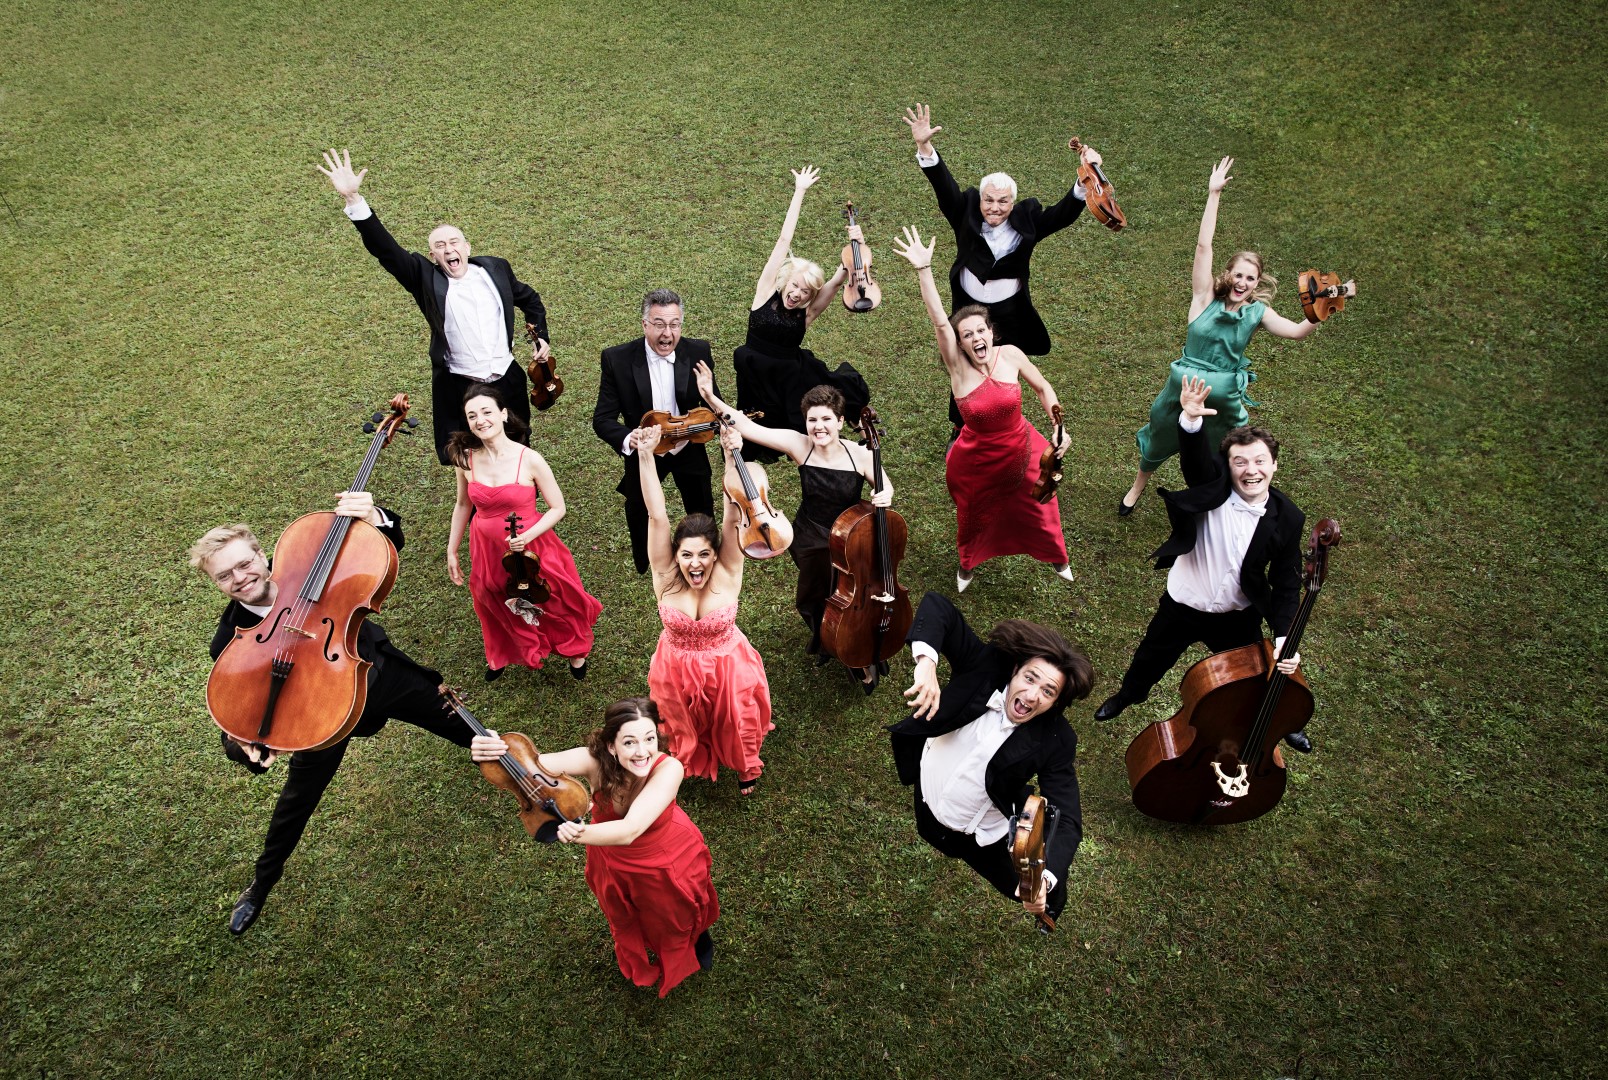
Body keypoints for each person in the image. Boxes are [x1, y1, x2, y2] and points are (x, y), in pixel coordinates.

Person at [189, 493, 471, 935]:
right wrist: (241, 745)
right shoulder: (231, 638)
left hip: (378, 674)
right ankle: (261, 885)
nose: (240, 578)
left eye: (245, 564)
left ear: (262, 554)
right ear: (216, 584)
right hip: (320, 716)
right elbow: (237, 714)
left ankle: (532, 783)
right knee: (295, 804)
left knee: (468, 729)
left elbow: (387, 543)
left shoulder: (308, 563)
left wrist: (374, 516)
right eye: (225, 576)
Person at [1119, 156, 1352, 515]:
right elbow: (1203, 248)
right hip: (1180, 389)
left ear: (1258, 283)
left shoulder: (1258, 313)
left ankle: (1219, 502)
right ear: (1229, 274)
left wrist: (1322, 310)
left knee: (1223, 452)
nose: (1244, 283)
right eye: (1239, 275)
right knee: (1159, 438)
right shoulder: (1203, 297)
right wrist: (1213, 195)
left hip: (1223, 398)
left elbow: (1297, 332)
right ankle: (1136, 488)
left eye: (1251, 278)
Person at [1096, 376, 1313, 753]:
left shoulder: (1289, 518)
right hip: (1182, 606)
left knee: (1258, 676)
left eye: (1260, 461)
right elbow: (1195, 463)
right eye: (1239, 462)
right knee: (1150, 657)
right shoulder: (1211, 487)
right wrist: (1191, 421)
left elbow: (1286, 582)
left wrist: (1283, 640)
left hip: (1236, 615)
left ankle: (1281, 720)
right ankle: (1128, 696)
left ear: (1274, 466)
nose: (1251, 470)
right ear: (1226, 467)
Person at [470, 698, 718, 997]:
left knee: (678, 908)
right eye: (629, 742)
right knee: (627, 909)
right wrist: (493, 753)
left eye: (650, 738)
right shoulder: (593, 761)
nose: (642, 752)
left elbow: (630, 830)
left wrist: (577, 833)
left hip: (664, 856)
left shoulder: (670, 769)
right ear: (611, 746)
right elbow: (529, 769)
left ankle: (698, 937)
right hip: (610, 856)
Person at [317, 148, 552, 465]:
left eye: (454, 242)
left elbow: (530, 299)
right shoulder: (425, 279)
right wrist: (354, 200)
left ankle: (521, 503)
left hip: (506, 379)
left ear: (467, 247)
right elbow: (386, 251)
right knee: (468, 456)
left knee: (518, 444)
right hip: (462, 385)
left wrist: (540, 337)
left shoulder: (496, 270)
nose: (448, 249)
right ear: (433, 257)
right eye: (439, 246)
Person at [891, 591, 1093, 925]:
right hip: (927, 801)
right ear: (1014, 670)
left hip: (982, 838)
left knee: (1029, 888)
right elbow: (938, 607)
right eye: (1030, 678)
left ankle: (1049, 907)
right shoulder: (982, 668)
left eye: (1048, 691)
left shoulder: (1057, 740)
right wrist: (926, 665)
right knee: (929, 828)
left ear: (1055, 703)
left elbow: (1069, 816)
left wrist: (1044, 880)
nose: (1031, 695)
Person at [902, 103, 1102, 437]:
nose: (995, 208)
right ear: (980, 199)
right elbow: (944, 186)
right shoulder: (964, 211)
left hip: (1008, 311)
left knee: (1000, 364)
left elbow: (1062, 215)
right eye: (989, 200)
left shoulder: (1028, 219)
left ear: (1013, 201)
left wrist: (1085, 180)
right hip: (968, 308)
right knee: (965, 363)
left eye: (1003, 202)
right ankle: (961, 424)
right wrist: (925, 146)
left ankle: (1003, 417)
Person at [894, 226, 1074, 592]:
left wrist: (1058, 426)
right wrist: (923, 271)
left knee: (1041, 504)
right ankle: (969, 564)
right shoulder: (958, 369)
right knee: (974, 515)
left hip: (1025, 445)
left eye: (981, 331)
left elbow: (1042, 387)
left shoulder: (1010, 355)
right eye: (968, 335)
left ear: (992, 332)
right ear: (960, 345)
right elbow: (940, 322)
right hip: (977, 457)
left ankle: (1056, 557)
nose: (976, 338)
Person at [695, 362, 894, 690]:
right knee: (815, 597)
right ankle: (829, 639)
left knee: (856, 596)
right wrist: (709, 396)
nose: (819, 427)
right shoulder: (799, 445)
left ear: (841, 421)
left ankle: (861, 649)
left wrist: (883, 494)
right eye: (812, 419)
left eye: (826, 419)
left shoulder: (859, 454)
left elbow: (885, 486)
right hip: (810, 537)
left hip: (851, 539)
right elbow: (745, 425)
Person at [634, 422, 773, 794]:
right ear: (675, 554)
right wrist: (646, 455)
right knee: (680, 721)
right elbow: (656, 515)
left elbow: (731, 514)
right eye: (687, 555)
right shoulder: (664, 574)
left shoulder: (729, 568)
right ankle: (682, 763)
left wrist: (730, 453)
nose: (695, 564)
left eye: (703, 555)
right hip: (675, 667)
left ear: (715, 554)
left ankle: (745, 766)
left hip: (728, 666)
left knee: (733, 718)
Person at [445, 384, 601, 682]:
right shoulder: (464, 459)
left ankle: (576, 651)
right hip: (487, 545)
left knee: (555, 597)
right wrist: (452, 549)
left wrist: (528, 536)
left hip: (532, 544)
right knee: (493, 597)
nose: (481, 420)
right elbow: (463, 504)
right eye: (472, 415)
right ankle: (501, 653)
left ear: (503, 414)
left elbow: (558, 508)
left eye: (487, 412)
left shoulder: (529, 459)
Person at [731, 166, 870, 461]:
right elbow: (783, 242)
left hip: (792, 378)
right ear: (786, 280)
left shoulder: (804, 314)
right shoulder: (765, 294)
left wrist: (853, 251)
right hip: (758, 378)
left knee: (816, 418)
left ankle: (856, 441)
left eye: (805, 292)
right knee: (754, 436)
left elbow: (835, 283)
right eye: (795, 286)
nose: (797, 294)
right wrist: (800, 191)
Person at [592, 289, 720, 575]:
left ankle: (707, 558)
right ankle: (646, 562)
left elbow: (715, 410)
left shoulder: (698, 352)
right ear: (645, 324)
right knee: (639, 508)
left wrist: (710, 395)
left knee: (701, 506)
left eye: (674, 324)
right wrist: (630, 438)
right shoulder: (617, 359)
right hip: (646, 453)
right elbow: (602, 419)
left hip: (688, 446)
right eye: (659, 324)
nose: (667, 333)